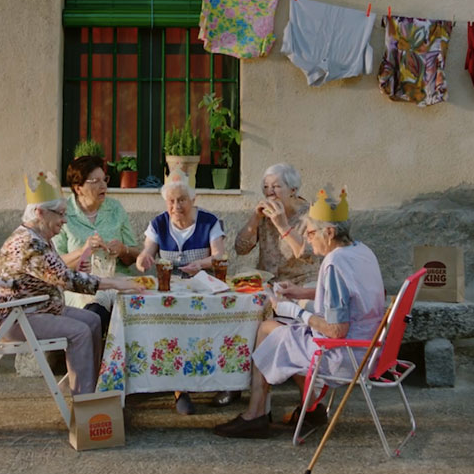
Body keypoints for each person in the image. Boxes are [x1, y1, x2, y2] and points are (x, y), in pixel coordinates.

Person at [214, 189, 385, 438]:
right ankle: (306, 408)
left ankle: (256, 414)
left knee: (270, 332)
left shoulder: (334, 264)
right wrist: (301, 292)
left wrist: (294, 310)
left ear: (330, 233)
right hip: (369, 348)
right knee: (272, 329)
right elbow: (350, 297)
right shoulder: (360, 251)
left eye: (311, 232)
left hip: (343, 354)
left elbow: (337, 330)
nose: (306, 237)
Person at [0, 171, 143, 395]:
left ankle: (96, 384)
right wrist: (117, 284)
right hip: (14, 319)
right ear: (40, 212)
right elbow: (68, 280)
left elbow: (55, 271)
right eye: (60, 214)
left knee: (92, 320)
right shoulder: (30, 243)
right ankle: (84, 398)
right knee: (79, 331)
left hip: (35, 309)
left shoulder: (37, 236)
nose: (64, 220)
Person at [136, 169, 232, 414]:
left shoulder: (209, 221)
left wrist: (201, 264)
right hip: (171, 288)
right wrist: (144, 258)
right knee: (171, 330)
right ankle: (180, 390)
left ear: (193, 199)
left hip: (203, 286)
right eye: (171, 201)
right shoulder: (158, 223)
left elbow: (219, 255)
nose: (176, 206)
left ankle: (227, 383)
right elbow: (148, 249)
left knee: (218, 326)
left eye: (182, 200)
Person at [54, 156, 140, 334]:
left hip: (116, 279)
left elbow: (136, 256)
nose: (104, 186)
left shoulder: (115, 208)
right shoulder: (63, 213)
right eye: (96, 181)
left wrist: (123, 250)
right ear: (78, 188)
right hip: (80, 285)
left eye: (104, 180)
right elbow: (55, 264)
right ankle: (97, 358)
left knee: (137, 303)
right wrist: (82, 252)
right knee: (93, 310)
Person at [235, 163, 319, 299]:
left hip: (301, 286)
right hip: (268, 286)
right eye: (266, 187)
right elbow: (240, 248)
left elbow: (310, 255)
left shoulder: (312, 215)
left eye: (276, 186)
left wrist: (282, 226)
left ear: (293, 190)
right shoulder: (264, 214)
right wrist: (255, 218)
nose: (269, 192)